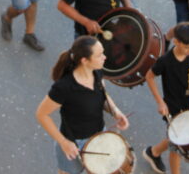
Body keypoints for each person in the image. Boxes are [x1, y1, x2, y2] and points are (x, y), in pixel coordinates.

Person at [36, 36, 129, 174]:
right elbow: (42, 114)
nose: (104, 57)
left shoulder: (97, 72)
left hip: (98, 136)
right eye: (99, 55)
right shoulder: (64, 87)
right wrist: (63, 142)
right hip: (73, 143)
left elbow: (103, 95)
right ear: (84, 61)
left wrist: (116, 111)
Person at [142, 22, 189, 174]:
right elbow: (149, 76)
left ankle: (153, 152)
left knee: (177, 140)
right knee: (178, 145)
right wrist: (160, 102)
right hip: (172, 106)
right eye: (187, 47)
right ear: (176, 42)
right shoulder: (165, 61)